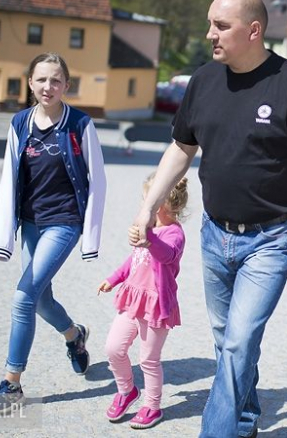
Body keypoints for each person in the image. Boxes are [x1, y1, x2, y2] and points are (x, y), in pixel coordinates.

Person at [132, 0, 287, 438]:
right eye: (210, 24)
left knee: (239, 343)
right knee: (229, 343)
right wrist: (149, 206)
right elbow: (181, 148)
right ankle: (244, 420)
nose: (210, 34)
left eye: (220, 26)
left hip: (272, 239)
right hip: (214, 235)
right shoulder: (204, 81)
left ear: (254, 30)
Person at [0, 52, 107, 415]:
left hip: (64, 222)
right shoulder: (19, 123)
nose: (48, 87)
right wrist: (4, 235)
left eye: (55, 80)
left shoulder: (80, 125)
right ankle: (74, 335)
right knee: (40, 300)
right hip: (31, 223)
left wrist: (90, 238)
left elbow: (98, 181)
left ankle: (11, 384)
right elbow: (9, 178)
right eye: (41, 79)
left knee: (23, 297)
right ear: (30, 83)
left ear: (66, 85)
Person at [98, 175, 188, 430]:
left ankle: (152, 406)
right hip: (132, 299)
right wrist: (114, 278)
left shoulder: (174, 234)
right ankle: (127, 391)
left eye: (147, 199)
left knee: (149, 360)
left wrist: (149, 237)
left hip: (156, 305)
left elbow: (166, 254)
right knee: (113, 349)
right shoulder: (148, 229)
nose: (143, 204)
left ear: (160, 203)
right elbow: (134, 259)